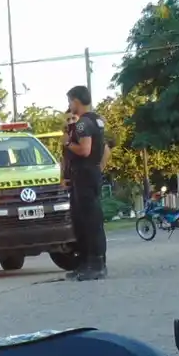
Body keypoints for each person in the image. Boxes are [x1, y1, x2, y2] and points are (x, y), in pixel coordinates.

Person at [62, 85, 108, 281]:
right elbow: (105, 150)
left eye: (70, 101)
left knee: (89, 221)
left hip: (84, 175)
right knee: (82, 220)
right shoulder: (97, 120)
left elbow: (84, 150)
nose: (69, 106)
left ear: (76, 101)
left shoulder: (82, 124)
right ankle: (86, 263)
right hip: (88, 174)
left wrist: (66, 143)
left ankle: (96, 264)